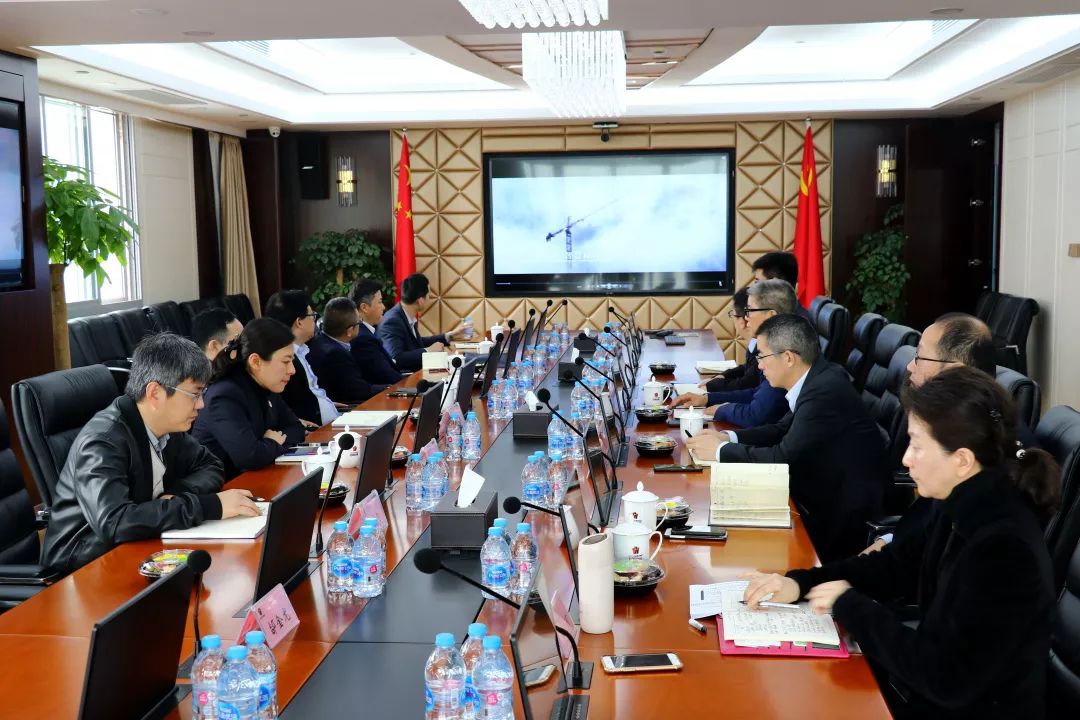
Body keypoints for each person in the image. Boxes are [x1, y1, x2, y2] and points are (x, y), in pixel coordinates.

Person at [742, 367, 1059, 719]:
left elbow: (947, 678)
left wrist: (849, 605)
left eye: (917, 446)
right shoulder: (960, 502)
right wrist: (800, 583)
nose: (906, 459)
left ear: (962, 460)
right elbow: (893, 566)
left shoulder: (1004, 550)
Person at [42, 333, 259, 575]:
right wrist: (206, 506)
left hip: (138, 547)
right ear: (155, 393)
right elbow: (115, 522)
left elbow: (211, 465)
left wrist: (178, 497)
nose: (201, 404)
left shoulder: (168, 427)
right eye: (195, 394)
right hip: (82, 569)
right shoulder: (103, 441)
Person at [685, 314, 889, 561]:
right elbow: (781, 429)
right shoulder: (817, 378)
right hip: (820, 492)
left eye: (762, 356)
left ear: (789, 357)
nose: (759, 366)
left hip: (840, 513)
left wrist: (719, 452)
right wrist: (727, 438)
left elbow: (783, 457)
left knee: (742, 549)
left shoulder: (823, 391)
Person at [864, 311, 1035, 554]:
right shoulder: (960, 423)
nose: (910, 366)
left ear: (954, 371)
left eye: (919, 357)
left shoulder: (982, 443)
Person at [192, 318, 307, 478]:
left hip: (259, 477)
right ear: (256, 362)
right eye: (286, 362)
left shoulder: (265, 383)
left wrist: (266, 445)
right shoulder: (224, 395)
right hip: (225, 486)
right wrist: (272, 442)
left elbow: (296, 428)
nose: (292, 370)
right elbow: (250, 457)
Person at [670, 280, 791, 428]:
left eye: (749, 311)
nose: (745, 317)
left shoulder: (782, 354)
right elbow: (757, 394)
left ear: (771, 315)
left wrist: (722, 410)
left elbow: (756, 415)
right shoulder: (775, 347)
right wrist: (707, 399)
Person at [263, 289, 340, 427]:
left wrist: (325, 403)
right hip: (315, 431)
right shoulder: (280, 362)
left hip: (333, 421)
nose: (314, 320)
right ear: (299, 322)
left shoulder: (302, 350)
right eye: (312, 315)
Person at [377, 273, 464, 372]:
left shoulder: (405, 314)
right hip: (404, 378)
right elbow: (396, 358)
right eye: (428, 295)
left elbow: (415, 343)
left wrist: (449, 336)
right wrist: (428, 350)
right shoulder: (392, 321)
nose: (429, 298)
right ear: (421, 300)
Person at [308, 296, 386, 404]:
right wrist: (389, 388)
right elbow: (360, 391)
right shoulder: (336, 354)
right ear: (349, 330)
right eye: (359, 322)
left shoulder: (319, 341)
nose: (360, 325)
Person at [349, 278, 405, 385]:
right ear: (364, 307)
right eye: (380, 302)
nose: (383, 307)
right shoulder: (363, 339)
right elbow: (386, 376)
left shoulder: (366, 332)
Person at [750, 251, 814, 322]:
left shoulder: (793, 324)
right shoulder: (782, 315)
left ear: (775, 284)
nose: (754, 287)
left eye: (758, 282)